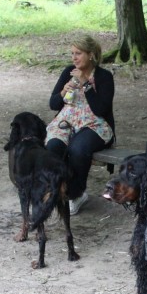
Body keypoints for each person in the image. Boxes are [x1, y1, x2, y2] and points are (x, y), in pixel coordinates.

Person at [46, 35, 115, 215]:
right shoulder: (68, 72)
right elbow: (53, 104)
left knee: (78, 148)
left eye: (78, 53)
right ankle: (57, 190)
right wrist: (63, 92)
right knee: (53, 146)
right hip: (67, 120)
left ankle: (76, 194)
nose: (74, 58)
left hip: (95, 123)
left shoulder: (104, 76)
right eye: (72, 53)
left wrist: (85, 83)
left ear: (91, 55)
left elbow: (101, 109)